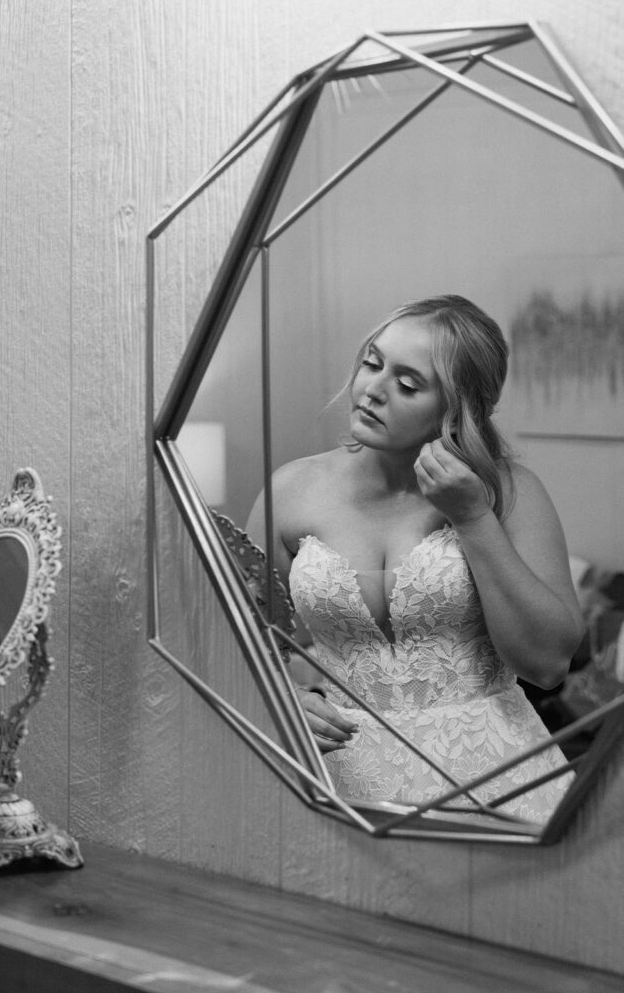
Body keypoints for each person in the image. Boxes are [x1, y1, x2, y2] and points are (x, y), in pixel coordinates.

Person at [246, 295, 584, 823]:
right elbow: (241, 644)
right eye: (371, 363)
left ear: (457, 409)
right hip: (333, 780)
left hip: (495, 779)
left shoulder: (509, 492)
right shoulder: (291, 490)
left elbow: (547, 665)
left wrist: (473, 518)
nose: (372, 391)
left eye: (407, 384)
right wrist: (280, 694)